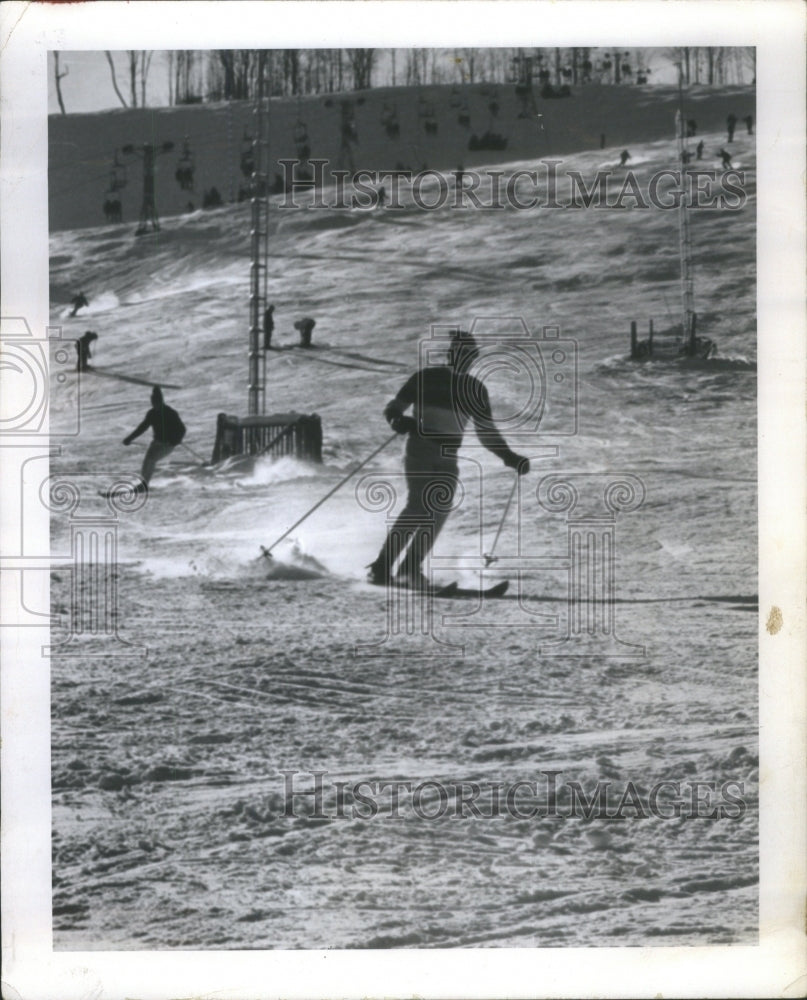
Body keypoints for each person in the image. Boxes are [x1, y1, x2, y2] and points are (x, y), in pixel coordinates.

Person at [367, 329, 530, 589]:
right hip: (420, 448)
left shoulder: (476, 390)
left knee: (438, 510)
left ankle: (409, 568)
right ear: (450, 354)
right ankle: (382, 567)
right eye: (459, 353)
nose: (464, 359)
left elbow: (485, 431)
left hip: (447, 456)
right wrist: (396, 419)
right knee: (419, 506)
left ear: (474, 358)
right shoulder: (426, 378)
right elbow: (394, 406)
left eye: (470, 355)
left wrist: (509, 456)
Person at [123, 386, 186, 493]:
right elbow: (142, 427)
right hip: (156, 443)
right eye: (153, 402)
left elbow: (182, 429)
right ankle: (143, 483)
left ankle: (144, 485)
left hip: (168, 444)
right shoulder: (151, 413)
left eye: (156, 402)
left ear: (161, 401)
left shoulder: (170, 412)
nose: (154, 405)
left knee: (151, 459)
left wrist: (176, 440)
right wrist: (129, 438)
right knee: (147, 460)